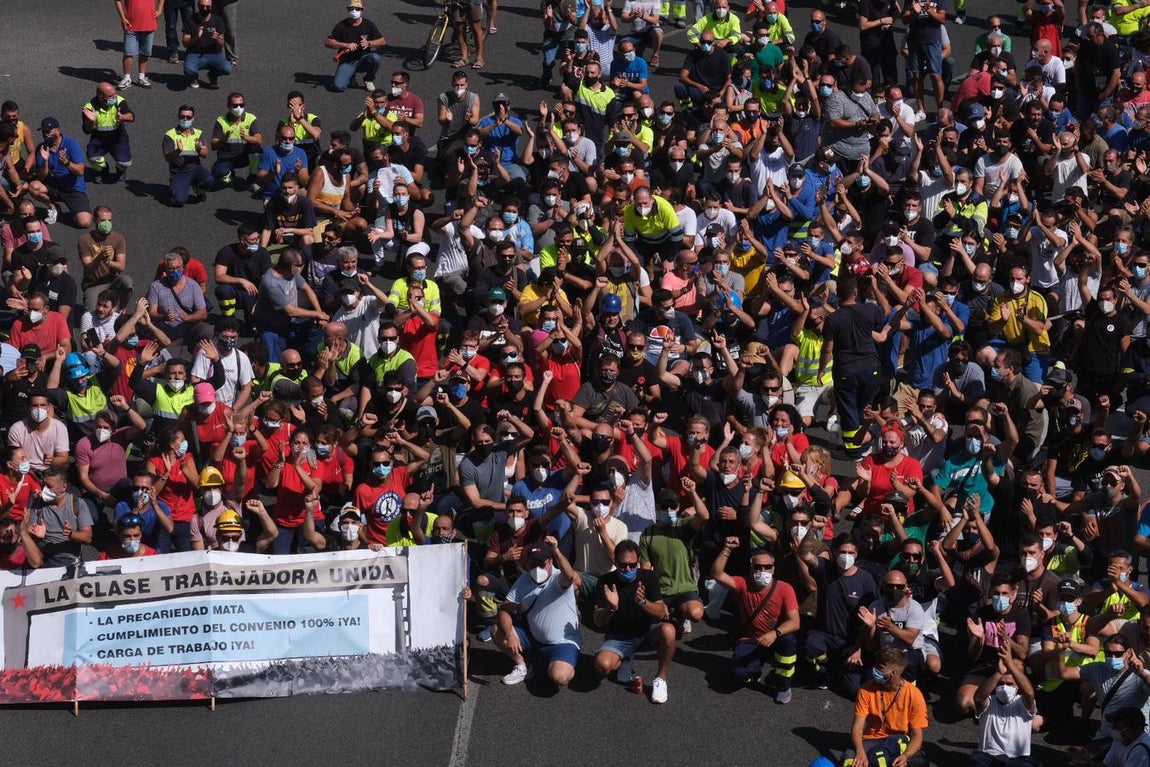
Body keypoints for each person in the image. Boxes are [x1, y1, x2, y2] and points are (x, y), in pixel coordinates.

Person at [712, 536, 801, 703]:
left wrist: (775, 634)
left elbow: (795, 622)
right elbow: (717, 574)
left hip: (776, 638)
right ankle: (755, 671)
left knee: (789, 641)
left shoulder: (784, 588)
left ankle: (783, 686)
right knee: (739, 674)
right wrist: (727, 549)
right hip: (753, 639)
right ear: (751, 568)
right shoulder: (742, 584)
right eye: (758, 567)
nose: (763, 571)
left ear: (774, 569)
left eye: (768, 567)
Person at [592, 539, 677, 704]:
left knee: (669, 631)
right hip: (620, 635)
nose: (628, 569)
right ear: (616, 562)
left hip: (647, 631)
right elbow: (598, 621)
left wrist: (643, 602)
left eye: (632, 565)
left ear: (638, 562)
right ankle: (625, 657)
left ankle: (660, 679)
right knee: (602, 665)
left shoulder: (649, 577)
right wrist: (611, 607)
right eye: (623, 566)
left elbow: (661, 612)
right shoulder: (605, 582)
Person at [493, 538, 582, 688]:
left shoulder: (559, 579)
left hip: (561, 643)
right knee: (496, 630)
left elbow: (570, 576)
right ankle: (523, 666)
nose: (536, 568)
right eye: (533, 564)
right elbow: (505, 609)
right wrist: (509, 635)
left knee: (560, 677)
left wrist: (556, 549)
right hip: (533, 637)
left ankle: (565, 664)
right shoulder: (524, 580)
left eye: (541, 563)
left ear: (550, 562)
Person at [841, 646, 930, 767]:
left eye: (880, 668)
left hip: (900, 741)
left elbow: (917, 735)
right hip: (872, 739)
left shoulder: (914, 695)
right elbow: (858, 726)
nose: (875, 670)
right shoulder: (865, 690)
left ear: (893, 673)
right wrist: (860, 751)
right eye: (876, 665)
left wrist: (906, 756)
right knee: (849, 760)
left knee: (919, 763)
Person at [30, 117, 93, 229]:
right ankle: (54, 207)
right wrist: (45, 161)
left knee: (85, 223)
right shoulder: (42, 148)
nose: (45, 135)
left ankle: (80, 206)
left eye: (48, 132)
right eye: (44, 132)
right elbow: (41, 176)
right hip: (56, 185)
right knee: (33, 186)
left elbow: (80, 171)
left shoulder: (71, 144)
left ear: (58, 131)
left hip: (73, 188)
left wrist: (67, 163)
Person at [326, 0, 386, 93]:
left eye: (357, 9)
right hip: (347, 60)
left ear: (362, 10)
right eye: (351, 9)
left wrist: (369, 43)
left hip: (363, 59)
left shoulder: (368, 24)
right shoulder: (341, 25)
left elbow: (382, 41)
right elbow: (328, 42)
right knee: (338, 87)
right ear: (348, 10)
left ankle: (368, 79)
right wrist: (346, 45)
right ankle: (351, 76)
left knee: (375, 58)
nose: (354, 11)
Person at [81, 81, 134, 183]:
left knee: (125, 162)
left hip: (118, 138)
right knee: (93, 157)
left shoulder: (119, 101)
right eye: (110, 96)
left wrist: (122, 117)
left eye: (114, 94)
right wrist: (91, 121)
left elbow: (131, 116)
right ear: (101, 97)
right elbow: (87, 130)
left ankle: (120, 170)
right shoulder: (89, 108)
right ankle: (103, 171)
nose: (114, 97)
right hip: (99, 140)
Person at [163, 105, 214, 207]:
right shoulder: (170, 135)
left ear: (193, 118)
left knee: (210, 180)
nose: (185, 119)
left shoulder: (198, 133)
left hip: (195, 170)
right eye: (182, 117)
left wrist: (200, 149)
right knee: (179, 201)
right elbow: (167, 158)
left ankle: (197, 187)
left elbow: (205, 154)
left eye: (188, 117)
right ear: (178, 117)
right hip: (179, 172)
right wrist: (178, 151)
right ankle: (175, 186)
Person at [114, 0, 160, 90]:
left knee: (145, 52)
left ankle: (141, 77)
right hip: (131, 25)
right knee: (128, 52)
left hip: (149, 24)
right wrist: (123, 18)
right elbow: (117, 1)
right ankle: (127, 78)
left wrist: (160, 9)